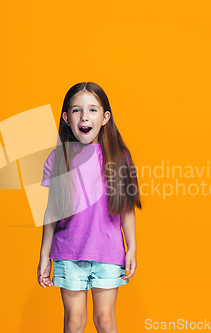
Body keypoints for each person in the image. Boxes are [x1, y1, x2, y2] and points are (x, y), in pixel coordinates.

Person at [37, 82, 142, 333]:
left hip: (108, 251)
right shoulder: (58, 158)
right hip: (68, 253)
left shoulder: (118, 157)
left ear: (105, 117)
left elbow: (125, 207)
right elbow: (52, 212)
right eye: (76, 110)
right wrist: (44, 256)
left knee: (105, 320)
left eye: (93, 110)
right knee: (74, 322)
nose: (85, 116)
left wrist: (132, 246)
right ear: (66, 117)